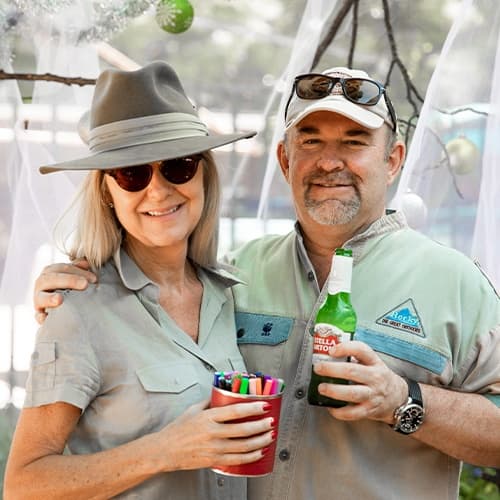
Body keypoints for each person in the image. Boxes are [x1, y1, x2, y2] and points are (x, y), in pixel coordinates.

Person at [31, 66, 500, 499]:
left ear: (393, 159)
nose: (329, 162)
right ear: (284, 159)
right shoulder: (230, 276)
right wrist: (79, 286)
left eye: (355, 142)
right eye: (310, 142)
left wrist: (404, 400)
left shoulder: (456, 284)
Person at [4, 61, 277, 500]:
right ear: (107, 192)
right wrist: (167, 449)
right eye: (132, 173)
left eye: (178, 165)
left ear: (204, 173)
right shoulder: (77, 310)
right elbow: (23, 486)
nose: (158, 189)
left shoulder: (231, 296)